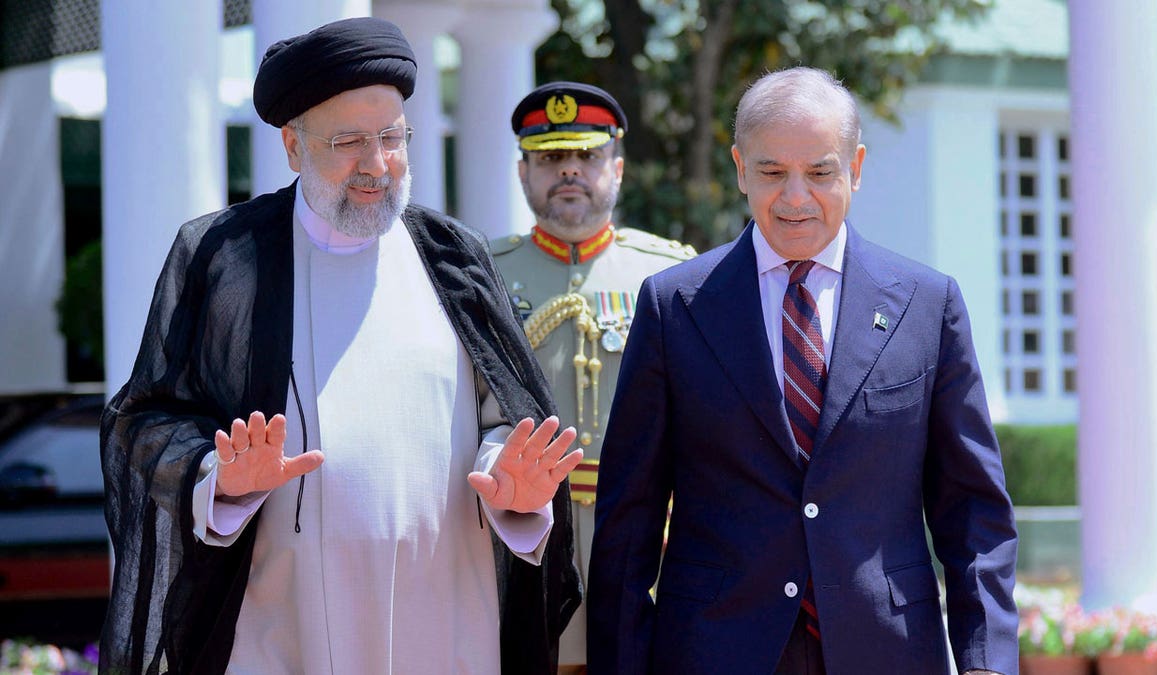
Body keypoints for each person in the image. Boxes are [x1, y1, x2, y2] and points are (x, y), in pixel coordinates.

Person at [99, 17, 583, 675]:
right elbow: (144, 421)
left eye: (392, 137)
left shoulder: (454, 254)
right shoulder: (226, 257)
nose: (376, 165)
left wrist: (509, 476)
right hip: (283, 630)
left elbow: (503, 418)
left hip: (445, 624)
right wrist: (217, 477)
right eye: (349, 141)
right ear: (292, 146)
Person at [587, 66, 1018, 674]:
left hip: (887, 651)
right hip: (715, 650)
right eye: (771, 172)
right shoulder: (675, 306)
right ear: (739, 168)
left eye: (819, 172)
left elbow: (974, 511)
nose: (795, 197)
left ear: (857, 168)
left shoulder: (927, 304)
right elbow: (629, 521)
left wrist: (986, 661)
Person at [491, 80, 696, 669]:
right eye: (552, 158)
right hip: (521, 542)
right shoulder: (483, 274)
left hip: (643, 547)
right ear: (524, 173)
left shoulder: (671, 275)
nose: (570, 172)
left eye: (587, 155)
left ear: (619, 168)